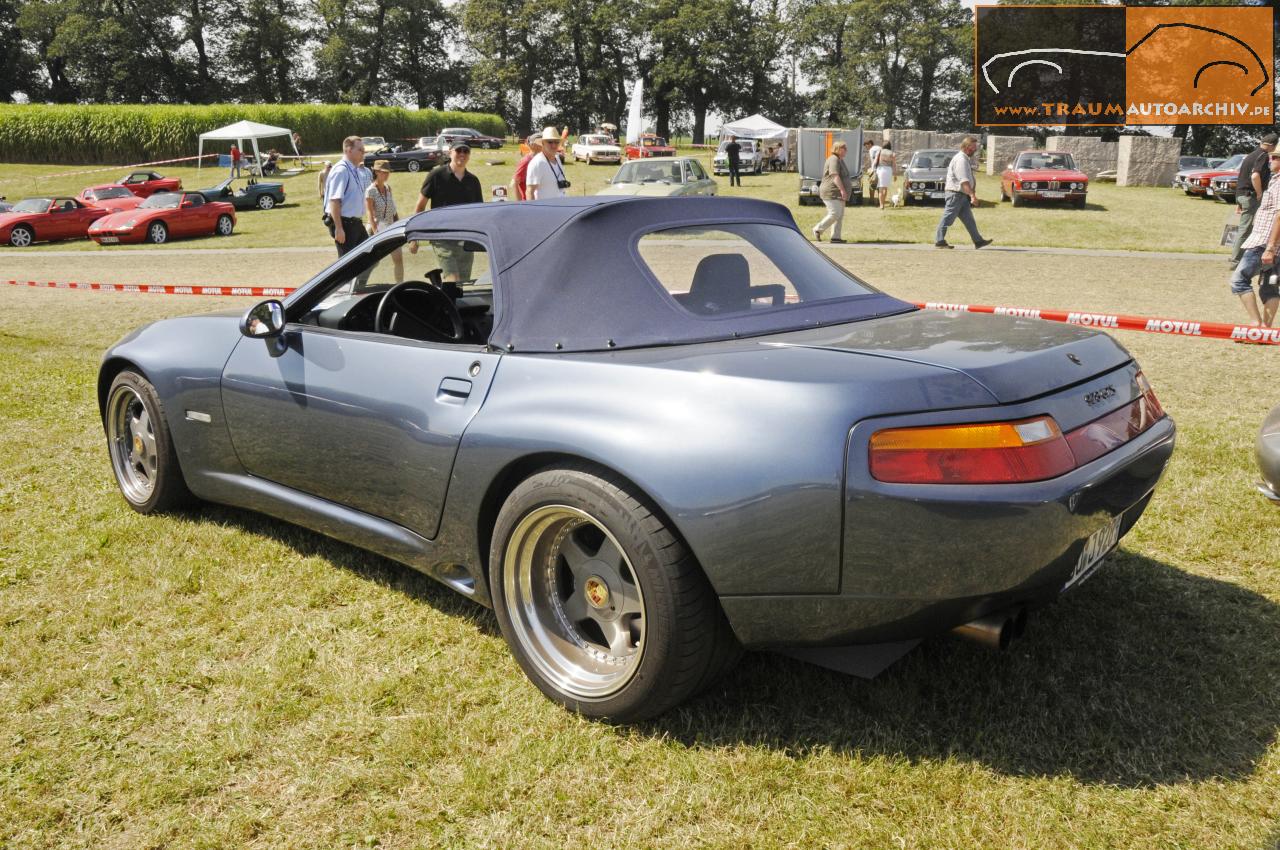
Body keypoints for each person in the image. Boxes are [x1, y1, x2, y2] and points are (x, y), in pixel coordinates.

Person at [415, 140, 483, 281]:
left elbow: (479, 213)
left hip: (466, 240)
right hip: (442, 238)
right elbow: (420, 206)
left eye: (466, 151)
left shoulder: (473, 181)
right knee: (453, 279)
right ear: (450, 152)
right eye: (459, 151)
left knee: (463, 285)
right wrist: (414, 238)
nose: (462, 154)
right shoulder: (436, 175)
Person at [1229, 149, 1280, 327]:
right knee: (1269, 286)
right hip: (1268, 242)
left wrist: (1270, 247)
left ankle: (1255, 324)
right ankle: (1265, 330)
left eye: (1274, 157)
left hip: (1264, 242)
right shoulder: (1274, 180)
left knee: (1239, 280)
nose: (1270, 160)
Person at [935, 137, 992, 250]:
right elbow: (964, 181)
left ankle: (978, 241)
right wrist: (972, 196)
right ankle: (939, 241)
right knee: (947, 218)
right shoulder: (961, 160)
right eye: (973, 148)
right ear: (966, 147)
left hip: (960, 195)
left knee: (969, 219)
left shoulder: (964, 158)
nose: (975, 150)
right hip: (955, 195)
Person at [1230, 132, 1278, 266]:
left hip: (1241, 194)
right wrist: (1259, 193)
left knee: (1245, 227)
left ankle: (1237, 256)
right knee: (1246, 229)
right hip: (1249, 195)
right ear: (1272, 146)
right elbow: (1255, 176)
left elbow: (1242, 177)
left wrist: (1238, 201)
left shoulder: (1250, 155)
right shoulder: (1262, 156)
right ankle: (1236, 259)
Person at [324, 136, 372, 258]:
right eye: (360, 150)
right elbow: (334, 201)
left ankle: (358, 278)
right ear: (348, 150)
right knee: (348, 266)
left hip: (355, 223)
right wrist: (339, 228)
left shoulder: (354, 169)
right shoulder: (341, 171)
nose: (364, 153)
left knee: (370, 258)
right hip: (345, 224)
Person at [365, 160, 402, 283]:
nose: (386, 175)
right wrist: (376, 232)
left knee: (398, 259)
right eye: (383, 172)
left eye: (388, 172)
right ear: (376, 172)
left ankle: (399, 285)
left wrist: (398, 225)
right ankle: (359, 283)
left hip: (390, 228)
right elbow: (369, 213)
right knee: (372, 263)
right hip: (376, 230)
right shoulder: (370, 191)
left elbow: (393, 208)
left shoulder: (388, 188)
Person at [812, 141, 850, 244]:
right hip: (831, 191)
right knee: (835, 213)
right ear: (838, 149)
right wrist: (842, 190)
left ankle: (836, 237)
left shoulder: (840, 160)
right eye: (844, 148)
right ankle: (818, 229)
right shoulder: (834, 159)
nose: (846, 150)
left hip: (837, 192)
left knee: (840, 215)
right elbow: (834, 175)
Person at [526, 126, 569, 200]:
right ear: (543, 143)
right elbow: (530, 191)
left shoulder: (557, 158)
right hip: (545, 210)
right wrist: (533, 211)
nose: (554, 145)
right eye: (550, 142)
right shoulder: (537, 162)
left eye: (556, 142)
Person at [512, 134, 542, 200]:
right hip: (528, 202)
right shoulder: (526, 161)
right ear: (532, 145)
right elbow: (514, 183)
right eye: (540, 143)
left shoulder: (541, 159)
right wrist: (520, 204)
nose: (543, 145)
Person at [874, 141, 895, 210]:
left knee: (880, 188)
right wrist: (895, 174)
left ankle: (881, 204)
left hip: (881, 170)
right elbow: (894, 164)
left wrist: (873, 169)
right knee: (885, 188)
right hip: (888, 170)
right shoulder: (892, 153)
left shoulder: (880, 151)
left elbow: (875, 161)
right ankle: (883, 203)